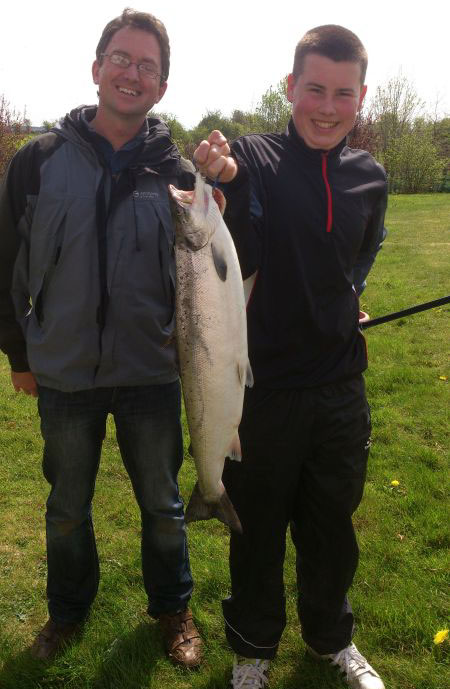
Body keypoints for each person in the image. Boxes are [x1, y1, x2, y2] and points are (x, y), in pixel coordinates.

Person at [0, 8, 202, 668]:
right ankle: (67, 612)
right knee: (65, 507)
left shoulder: (180, 177)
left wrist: (231, 182)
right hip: (63, 374)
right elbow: (6, 263)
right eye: (121, 58)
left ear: (162, 88)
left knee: (165, 506)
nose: (132, 73)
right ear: (96, 69)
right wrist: (18, 352)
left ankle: (173, 609)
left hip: (151, 371)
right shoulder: (37, 162)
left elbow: (226, 261)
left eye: (148, 66)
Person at [195, 24, 387, 689]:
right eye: (314, 90)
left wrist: (352, 294)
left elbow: (363, 251)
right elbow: (238, 233)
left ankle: (332, 639)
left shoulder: (371, 176)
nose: (327, 107)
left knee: (332, 527)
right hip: (264, 391)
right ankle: (253, 648)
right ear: (290, 87)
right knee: (258, 531)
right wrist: (221, 176)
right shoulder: (255, 155)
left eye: (342, 94)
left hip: (341, 389)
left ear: (360, 97)